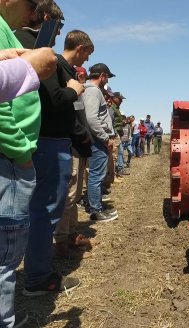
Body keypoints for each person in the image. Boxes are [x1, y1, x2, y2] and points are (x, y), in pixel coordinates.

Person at [17, 25, 91, 298]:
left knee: (42, 211)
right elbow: (53, 102)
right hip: (51, 144)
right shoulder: (50, 62)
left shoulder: (57, 65)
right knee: (44, 212)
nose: (56, 36)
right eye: (54, 28)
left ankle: (37, 270)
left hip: (56, 143)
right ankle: (37, 277)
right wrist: (73, 90)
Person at [0, 1, 49, 326]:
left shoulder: (5, 32)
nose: (34, 15)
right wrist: (21, 152)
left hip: (13, 155)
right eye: (33, 4)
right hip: (10, 156)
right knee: (5, 256)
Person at [52, 30, 95, 259]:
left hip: (77, 141)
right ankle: (60, 240)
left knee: (74, 193)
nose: (86, 60)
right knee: (67, 195)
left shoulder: (69, 72)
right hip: (68, 142)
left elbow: (76, 111)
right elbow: (61, 107)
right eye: (87, 53)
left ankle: (69, 233)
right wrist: (80, 133)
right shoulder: (57, 67)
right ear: (80, 48)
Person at [83, 63, 119, 222]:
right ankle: (95, 211)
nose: (107, 81)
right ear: (102, 75)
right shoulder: (93, 91)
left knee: (97, 175)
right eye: (107, 77)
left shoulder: (90, 90)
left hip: (96, 139)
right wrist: (105, 138)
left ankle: (96, 205)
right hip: (97, 140)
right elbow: (91, 119)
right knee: (96, 175)